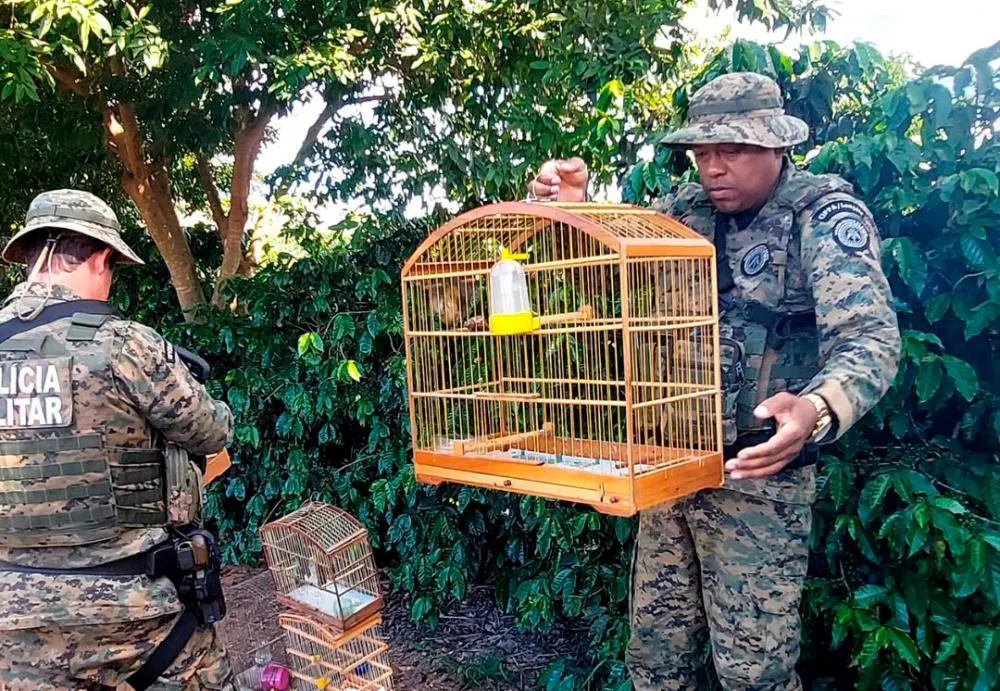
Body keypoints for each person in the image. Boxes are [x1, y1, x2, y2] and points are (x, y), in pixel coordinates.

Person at [528, 72, 901, 690]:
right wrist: (571, 209)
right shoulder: (681, 214)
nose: (712, 168)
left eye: (731, 149)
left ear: (776, 146)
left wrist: (816, 407)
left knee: (753, 673)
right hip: (668, 469)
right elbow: (605, 279)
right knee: (654, 657)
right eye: (702, 152)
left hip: (756, 483)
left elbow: (870, 339)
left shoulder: (820, 215)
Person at [0, 189, 236, 690]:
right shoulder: (124, 344)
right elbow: (212, 431)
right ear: (102, 257)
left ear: (28, 256)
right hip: (138, 614)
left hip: (12, 627)